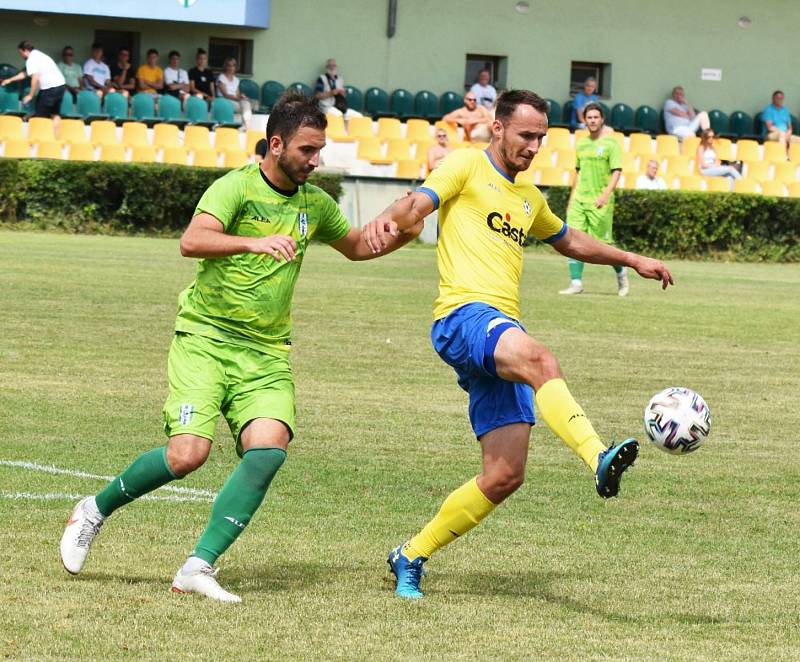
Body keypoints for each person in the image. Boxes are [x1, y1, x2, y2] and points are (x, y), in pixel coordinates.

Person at [59, 90, 423, 604]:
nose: (316, 161)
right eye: (307, 150)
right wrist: (252, 241)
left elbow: (360, 246)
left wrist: (404, 231)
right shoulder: (235, 188)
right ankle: (93, 510)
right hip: (206, 339)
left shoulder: (313, 204)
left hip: (267, 353)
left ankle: (197, 566)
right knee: (188, 456)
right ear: (276, 144)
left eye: (320, 150)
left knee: (269, 450)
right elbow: (192, 240)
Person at [361, 89, 673, 600]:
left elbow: (569, 239)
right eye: (526, 135)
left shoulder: (529, 198)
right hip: (462, 317)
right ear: (499, 128)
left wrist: (631, 259)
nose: (533, 146)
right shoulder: (465, 165)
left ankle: (410, 556)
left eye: (541, 138)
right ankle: (598, 457)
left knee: (504, 475)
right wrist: (395, 214)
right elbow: (421, 199)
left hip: (498, 328)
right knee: (540, 358)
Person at [561, 103, 627, 296]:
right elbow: (578, 173)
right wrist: (572, 199)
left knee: (602, 246)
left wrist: (605, 195)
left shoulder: (611, 144)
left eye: (596, 117)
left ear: (602, 119)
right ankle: (576, 283)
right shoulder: (581, 143)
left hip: (600, 202)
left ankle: (621, 271)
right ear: (585, 120)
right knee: (572, 241)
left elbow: (617, 172)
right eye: (589, 117)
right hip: (579, 200)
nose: (592, 120)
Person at [0, 41, 65, 131]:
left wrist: (30, 95)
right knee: (55, 114)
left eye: (21, 53)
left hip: (50, 88)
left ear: (25, 50)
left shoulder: (31, 59)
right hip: (60, 86)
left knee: (40, 116)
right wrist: (9, 80)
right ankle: (56, 138)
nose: (21, 55)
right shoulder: (38, 55)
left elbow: (35, 78)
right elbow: (25, 73)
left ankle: (40, 138)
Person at [217, 57, 253, 128]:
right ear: (225, 66)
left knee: (246, 103)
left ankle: (247, 126)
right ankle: (247, 127)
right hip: (224, 100)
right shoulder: (221, 77)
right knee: (245, 107)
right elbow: (225, 95)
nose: (231, 67)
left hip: (235, 100)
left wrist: (242, 96)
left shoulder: (236, 80)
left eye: (233, 65)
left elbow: (237, 94)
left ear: (235, 67)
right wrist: (238, 98)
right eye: (229, 65)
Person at [761, 90, 800, 155]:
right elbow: (770, 127)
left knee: (798, 139)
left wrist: (788, 133)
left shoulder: (785, 110)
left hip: (785, 134)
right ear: (773, 98)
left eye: (781, 98)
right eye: (777, 98)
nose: (779, 100)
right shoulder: (768, 110)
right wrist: (782, 133)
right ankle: (782, 156)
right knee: (782, 135)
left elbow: (790, 127)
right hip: (771, 134)